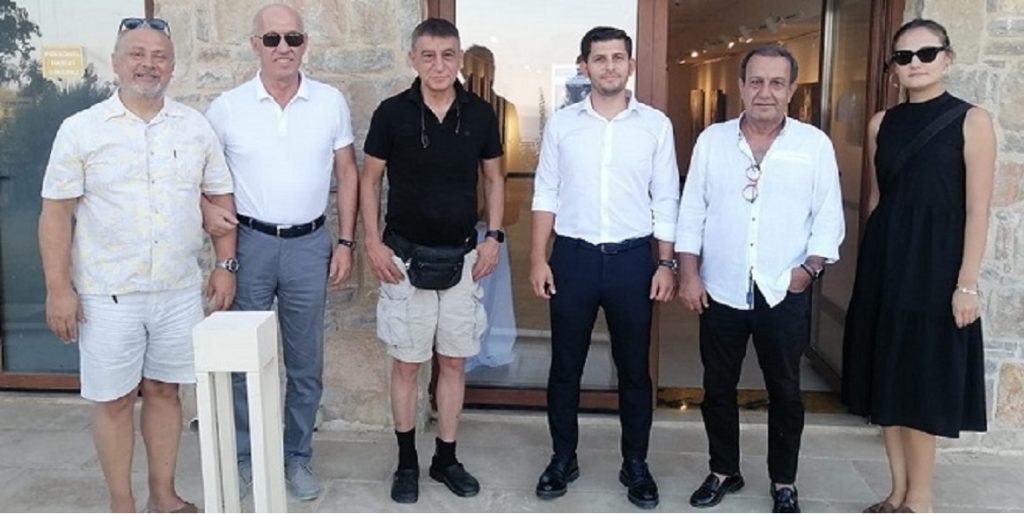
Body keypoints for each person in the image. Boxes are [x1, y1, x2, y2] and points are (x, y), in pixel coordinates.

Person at [38, 18, 236, 513]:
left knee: (166, 391)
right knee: (114, 400)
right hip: (107, 293)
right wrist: (58, 289)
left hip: (177, 290)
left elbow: (219, 196)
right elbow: (55, 213)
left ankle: (163, 496)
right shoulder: (80, 129)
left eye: (159, 56)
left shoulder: (194, 127)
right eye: (137, 54)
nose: (149, 64)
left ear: (172, 65)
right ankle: (121, 503)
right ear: (115, 62)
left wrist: (224, 264)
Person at [200, 3, 359, 502]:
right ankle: (248, 456)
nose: (283, 48)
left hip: (310, 244)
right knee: (242, 357)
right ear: (255, 45)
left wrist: (346, 241)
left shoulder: (329, 102)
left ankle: (296, 456)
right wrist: (213, 227)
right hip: (250, 244)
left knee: (306, 362)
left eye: (293, 38)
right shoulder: (227, 107)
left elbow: (347, 172)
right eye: (272, 39)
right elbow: (202, 176)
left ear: (305, 43)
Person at [676, 45, 845, 513]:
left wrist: (808, 271)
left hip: (782, 290)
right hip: (720, 288)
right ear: (741, 86)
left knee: (785, 390)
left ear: (791, 90)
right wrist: (688, 273)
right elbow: (691, 211)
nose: (764, 92)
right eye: (755, 81)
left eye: (776, 83)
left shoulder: (813, 145)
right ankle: (723, 470)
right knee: (717, 387)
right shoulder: (712, 140)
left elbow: (828, 218)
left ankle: (783, 481)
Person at [842, 19, 994, 514]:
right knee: (886, 376)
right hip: (886, 263)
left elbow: (978, 209)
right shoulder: (880, 123)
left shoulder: (972, 121)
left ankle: (921, 501)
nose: (915, 64)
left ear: (947, 58)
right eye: (903, 57)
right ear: (893, 67)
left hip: (936, 266)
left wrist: (966, 284)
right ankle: (896, 494)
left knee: (921, 382)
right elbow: (878, 199)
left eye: (926, 54)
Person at [529, 26, 680, 510]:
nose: (609, 66)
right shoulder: (563, 125)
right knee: (565, 368)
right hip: (572, 258)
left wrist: (666, 262)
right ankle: (563, 458)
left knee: (634, 370)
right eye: (600, 58)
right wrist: (537, 257)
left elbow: (666, 198)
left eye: (618, 57)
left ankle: (635, 463)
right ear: (584, 66)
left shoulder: (655, 125)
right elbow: (546, 192)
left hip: (633, 262)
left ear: (631, 65)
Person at [360, 18, 504, 505]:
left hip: (463, 258)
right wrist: (372, 243)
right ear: (413, 60)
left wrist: (493, 237)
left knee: (454, 362)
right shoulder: (391, 113)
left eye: (447, 55)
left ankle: (446, 457)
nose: (439, 65)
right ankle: (407, 462)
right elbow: (369, 180)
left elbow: (494, 179)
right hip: (403, 258)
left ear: (459, 58)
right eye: (428, 55)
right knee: (407, 365)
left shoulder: (480, 114)